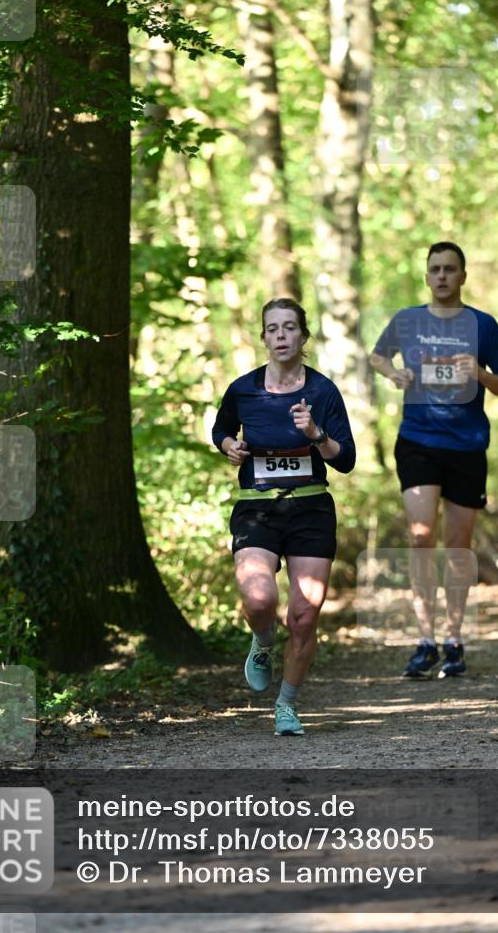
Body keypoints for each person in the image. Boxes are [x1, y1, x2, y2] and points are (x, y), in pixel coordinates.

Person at [369, 241, 498, 679]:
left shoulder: (483, 326)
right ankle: (424, 639)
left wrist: (480, 374)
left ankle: (453, 640)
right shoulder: (407, 320)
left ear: (463, 276)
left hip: (467, 446)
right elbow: (377, 355)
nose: (442, 276)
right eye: (434, 269)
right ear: (426, 274)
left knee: (457, 547)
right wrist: (393, 373)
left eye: (450, 269)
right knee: (420, 536)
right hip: (418, 441)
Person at [212, 298, 356, 735]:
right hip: (257, 509)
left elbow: (346, 459)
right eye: (272, 328)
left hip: (311, 507)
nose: (281, 336)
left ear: (302, 336)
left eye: (289, 327)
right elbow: (221, 430)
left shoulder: (323, 392)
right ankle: (262, 641)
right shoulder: (243, 390)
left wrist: (317, 435)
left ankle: (287, 705)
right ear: (263, 337)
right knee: (259, 601)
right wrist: (227, 447)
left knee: (305, 615)